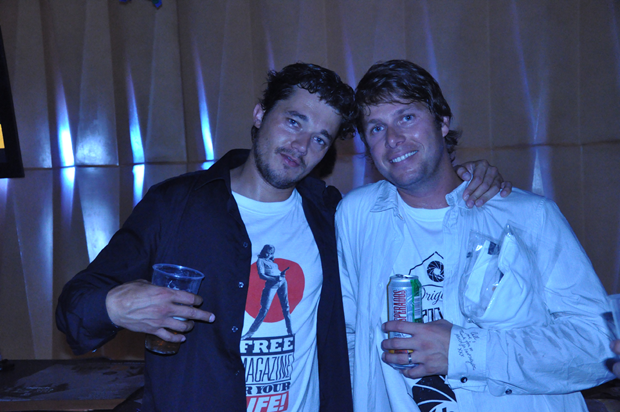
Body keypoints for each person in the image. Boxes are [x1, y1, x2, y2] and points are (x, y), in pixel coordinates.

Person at [56, 62, 506, 412]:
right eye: (294, 122)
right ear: (260, 114)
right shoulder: (176, 205)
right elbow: (74, 307)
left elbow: (418, 194)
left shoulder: (332, 214)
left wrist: (466, 177)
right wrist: (113, 305)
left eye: (320, 139)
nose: (301, 146)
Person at [336, 59, 615, 412]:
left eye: (406, 117)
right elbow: (346, 338)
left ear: (442, 122)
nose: (393, 139)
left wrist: (463, 351)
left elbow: (599, 347)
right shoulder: (356, 215)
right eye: (376, 128)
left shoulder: (528, 216)